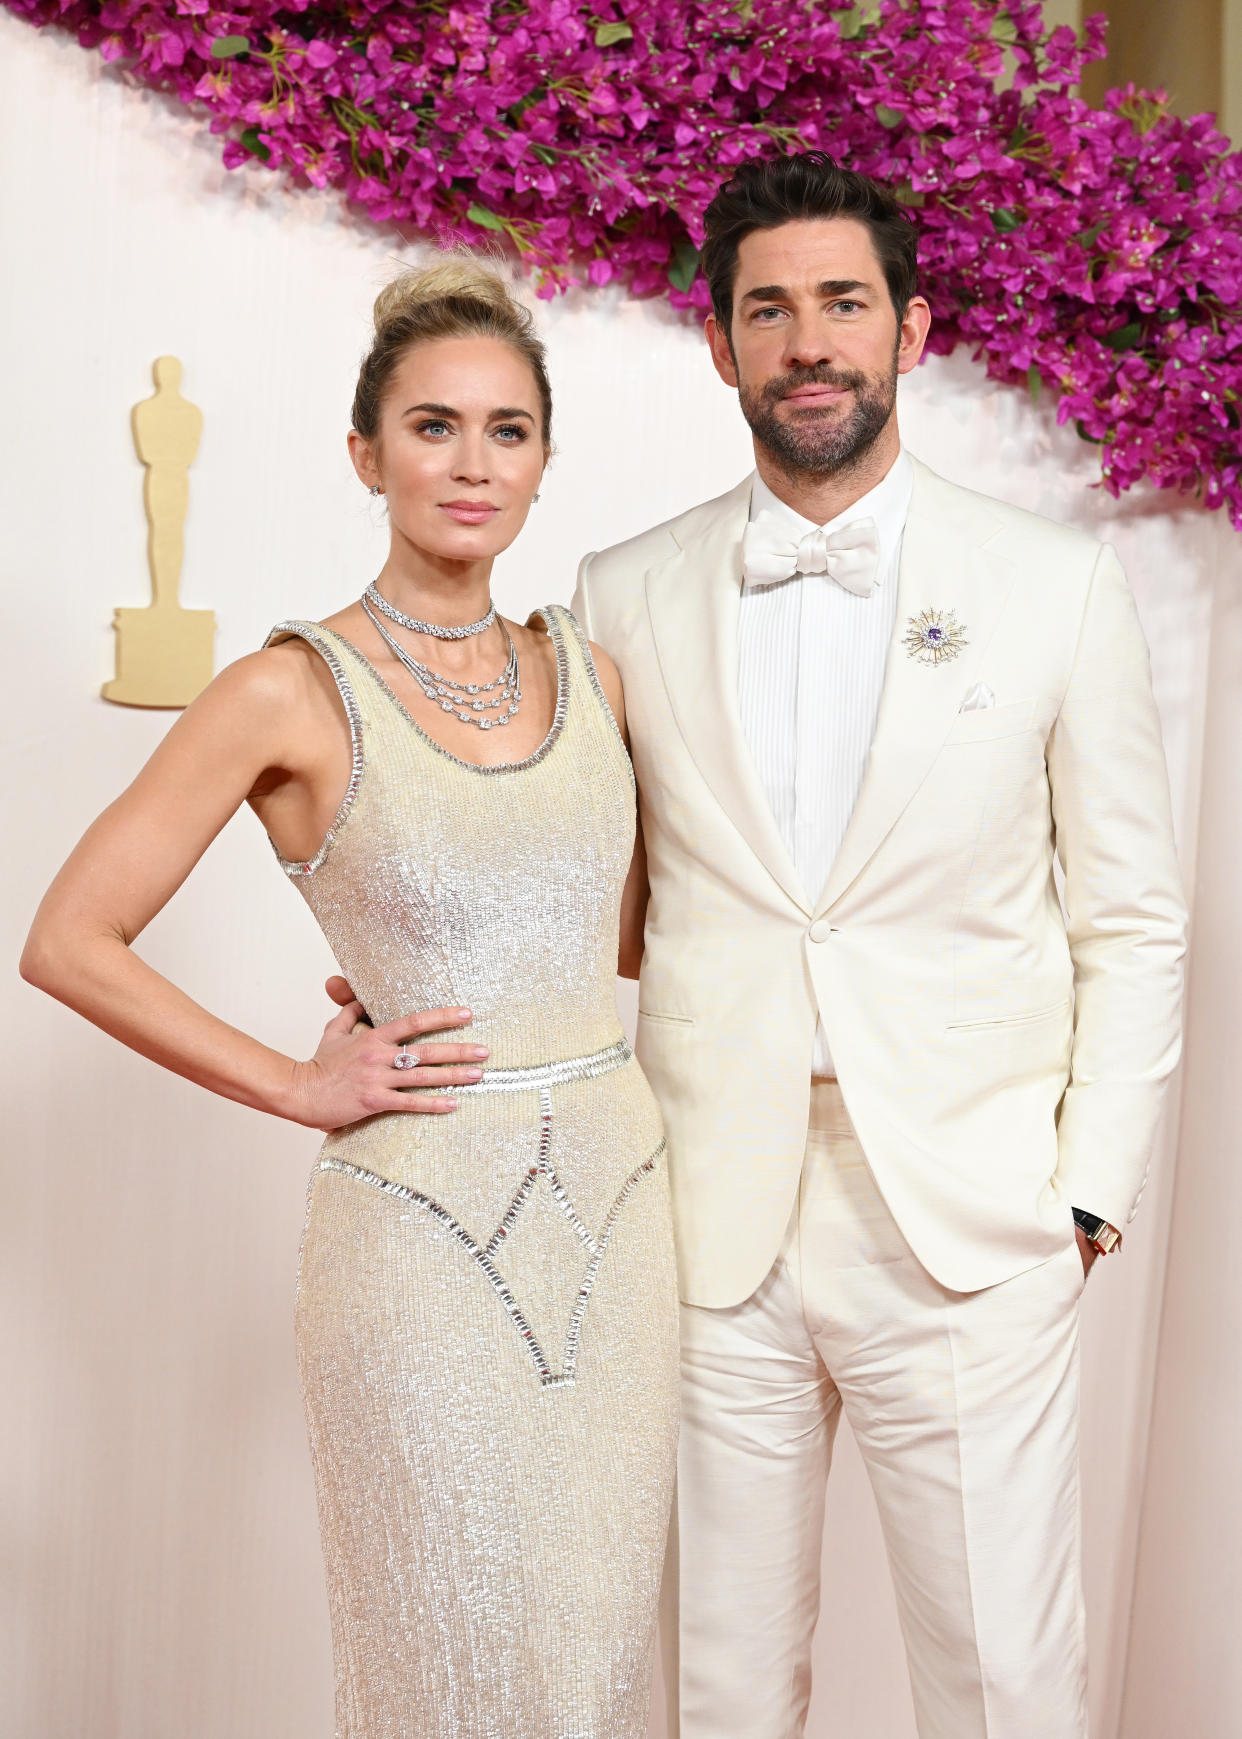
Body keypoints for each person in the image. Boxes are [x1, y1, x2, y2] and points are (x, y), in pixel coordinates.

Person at [569, 153, 1189, 1738]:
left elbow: (1129, 913)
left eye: (842, 302)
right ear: (717, 345)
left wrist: (1088, 1189)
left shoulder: (1054, 586)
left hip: (972, 1218)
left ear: (910, 329)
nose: (807, 342)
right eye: (766, 310)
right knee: (715, 1684)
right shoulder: (619, 593)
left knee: (1003, 1686)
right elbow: (593, 882)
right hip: (709, 1217)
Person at [20, 260, 679, 1738]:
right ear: (365, 453)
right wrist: (298, 1082)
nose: (470, 463)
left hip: (624, 1221)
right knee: (447, 1658)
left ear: (544, 462)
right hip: (420, 1247)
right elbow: (69, 939)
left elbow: (626, 942)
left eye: (507, 431)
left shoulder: (597, 675)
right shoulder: (286, 689)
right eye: (433, 426)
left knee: (583, 1665)